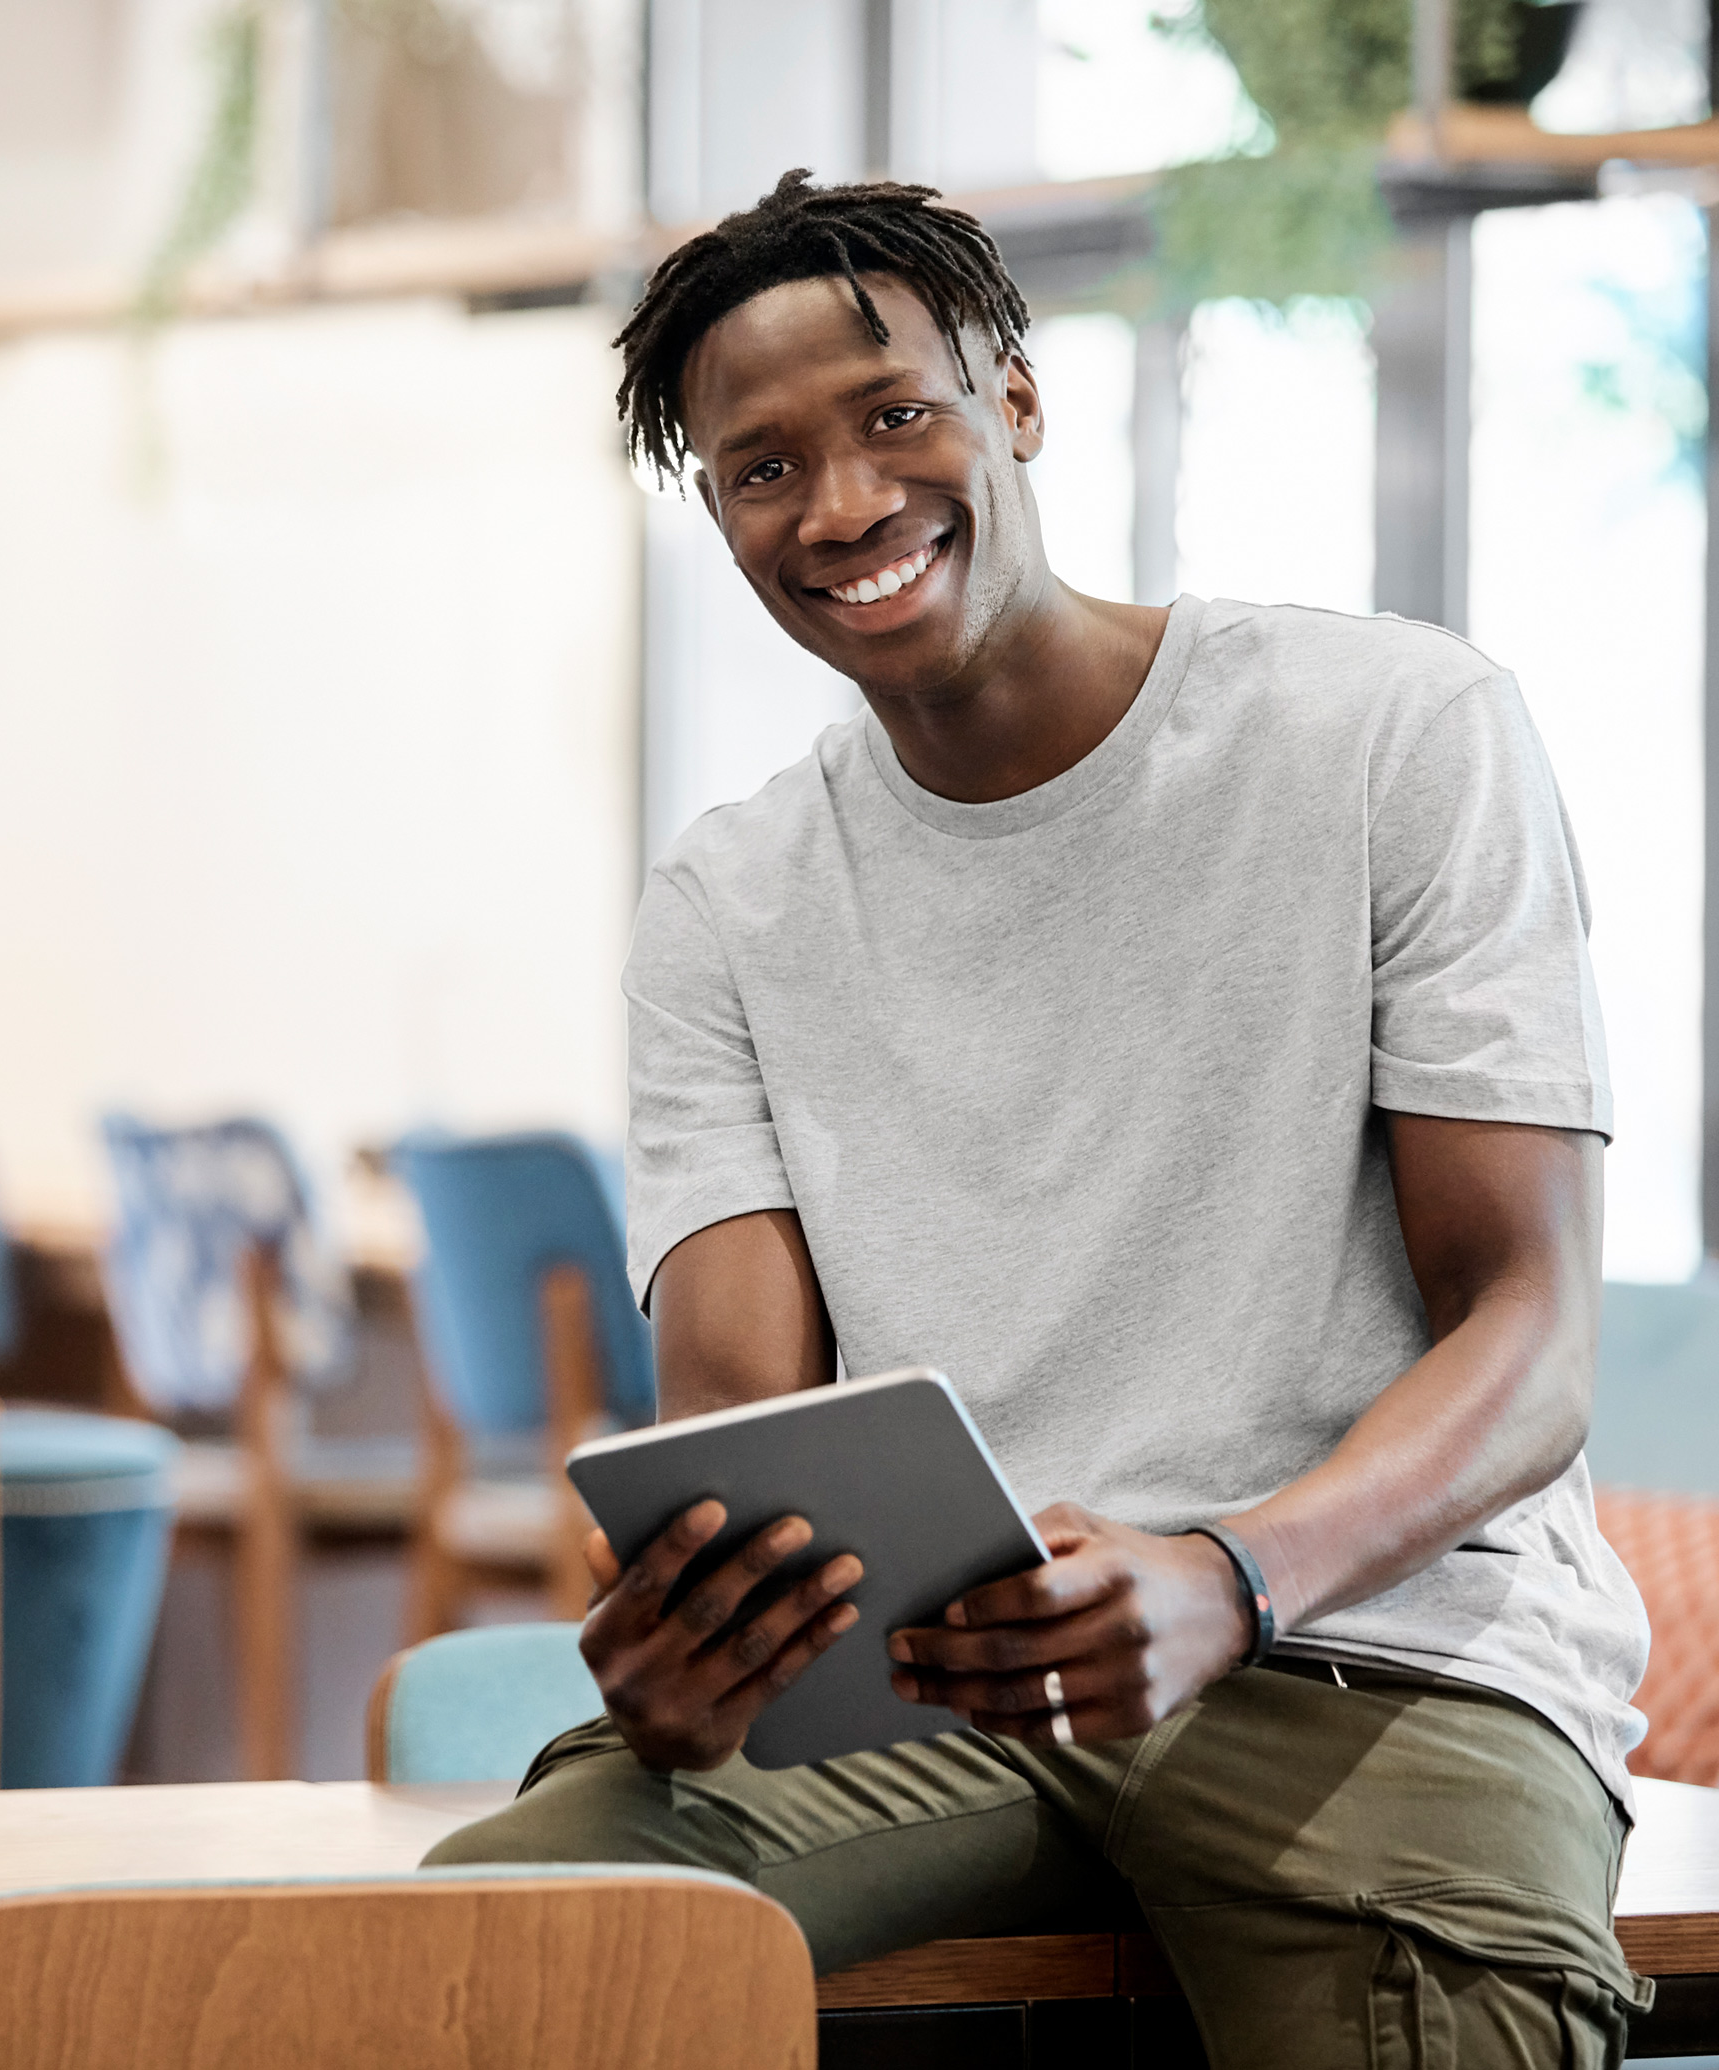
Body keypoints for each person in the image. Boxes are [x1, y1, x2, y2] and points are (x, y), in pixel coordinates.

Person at [427, 169, 1652, 2065]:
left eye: (893, 416)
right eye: (760, 470)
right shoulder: (732, 903)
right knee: (494, 1965)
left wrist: (1230, 1575)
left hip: (1371, 1661)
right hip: (928, 1691)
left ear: (1015, 397)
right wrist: (699, 1664)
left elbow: (1538, 1334)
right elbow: (745, 1449)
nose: (839, 507)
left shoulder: (1397, 730)